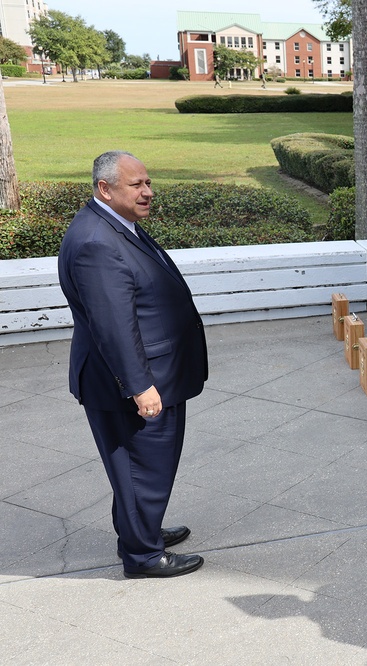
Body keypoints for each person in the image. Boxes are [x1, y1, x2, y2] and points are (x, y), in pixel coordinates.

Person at [57, 151, 208, 578]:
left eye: (147, 182)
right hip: (131, 382)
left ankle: (143, 531)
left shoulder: (114, 226)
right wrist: (140, 386)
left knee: (146, 467)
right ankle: (142, 556)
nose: (148, 192)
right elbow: (113, 326)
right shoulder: (95, 243)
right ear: (105, 189)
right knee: (140, 468)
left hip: (152, 373)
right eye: (136, 185)